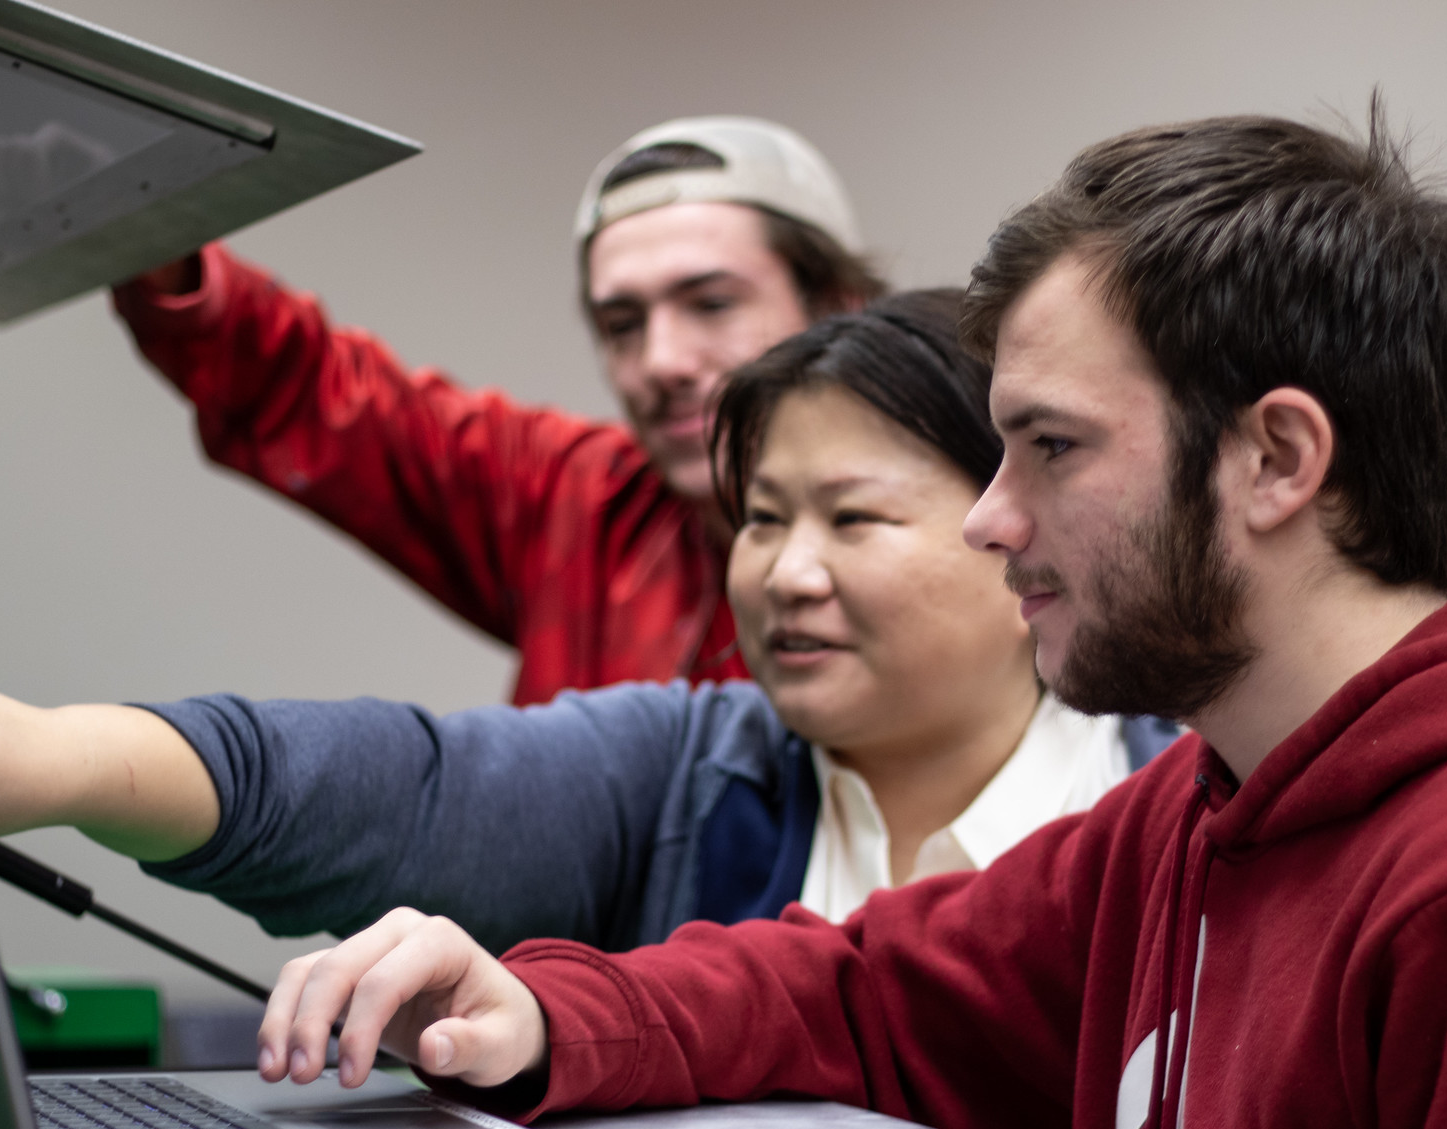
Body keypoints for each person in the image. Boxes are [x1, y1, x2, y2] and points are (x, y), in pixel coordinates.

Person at [248, 110, 1447, 1129]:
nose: (992, 519)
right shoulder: (1205, 811)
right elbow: (870, 992)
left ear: (1277, 458)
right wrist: (541, 1011)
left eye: (1050, 447)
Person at [0, 293, 1178, 1129]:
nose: (784, 573)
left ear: (1009, 527)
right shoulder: (691, 770)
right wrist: (53, 759)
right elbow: (403, 788)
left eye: (851, 520)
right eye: (760, 519)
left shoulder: (1159, 816)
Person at [114, 117, 887, 705]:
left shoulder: (942, 535)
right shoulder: (581, 503)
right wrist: (145, 224)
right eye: (622, 324)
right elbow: (314, 392)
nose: (661, 362)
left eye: (711, 303)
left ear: (839, 307)